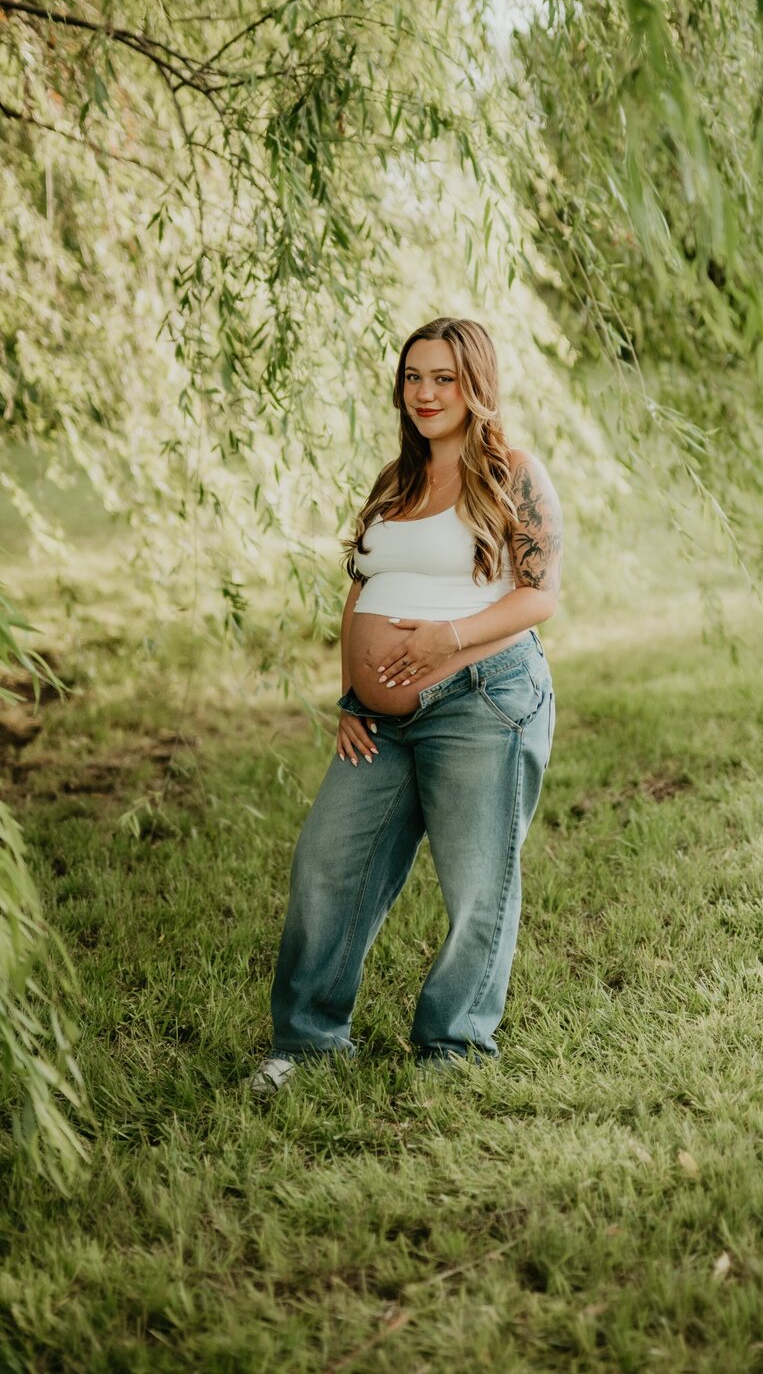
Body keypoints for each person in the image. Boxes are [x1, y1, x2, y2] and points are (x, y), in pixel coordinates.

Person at [250, 316, 563, 1093]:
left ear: (475, 386)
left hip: (480, 700)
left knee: (477, 882)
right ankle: (310, 1040)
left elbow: (539, 597)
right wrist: (350, 692)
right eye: (413, 377)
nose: (424, 393)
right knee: (327, 861)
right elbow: (360, 588)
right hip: (378, 722)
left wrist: (444, 641)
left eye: (444, 379)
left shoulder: (513, 473)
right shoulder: (395, 482)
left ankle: (452, 1047)